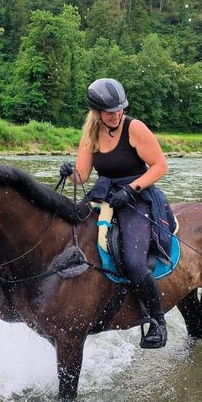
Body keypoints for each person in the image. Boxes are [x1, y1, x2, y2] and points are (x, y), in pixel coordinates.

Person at [60, 78, 170, 348]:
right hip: (103, 194)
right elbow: (83, 175)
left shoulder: (134, 128)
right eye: (110, 111)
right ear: (97, 112)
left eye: (120, 109)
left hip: (136, 197)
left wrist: (132, 189)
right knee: (67, 233)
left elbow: (159, 166)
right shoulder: (91, 133)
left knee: (133, 261)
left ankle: (157, 322)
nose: (116, 114)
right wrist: (69, 173)